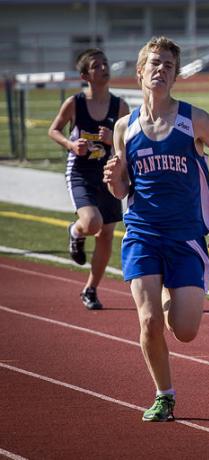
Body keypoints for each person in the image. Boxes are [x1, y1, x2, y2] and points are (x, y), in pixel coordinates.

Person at [103, 36, 209, 422]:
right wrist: (114, 180)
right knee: (147, 321)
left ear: (175, 76)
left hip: (186, 238)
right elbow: (124, 189)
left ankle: (170, 297)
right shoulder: (124, 128)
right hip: (143, 234)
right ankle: (164, 395)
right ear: (140, 71)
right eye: (155, 63)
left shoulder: (192, 119)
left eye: (168, 65)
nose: (161, 70)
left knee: (185, 330)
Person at [48, 48, 130, 310]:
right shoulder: (75, 103)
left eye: (105, 63)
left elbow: (129, 143)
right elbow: (54, 130)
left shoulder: (120, 106)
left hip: (109, 175)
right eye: (96, 66)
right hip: (81, 173)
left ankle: (91, 288)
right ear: (85, 75)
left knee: (106, 235)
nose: (103, 68)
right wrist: (71, 146)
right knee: (92, 223)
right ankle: (75, 231)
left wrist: (113, 140)